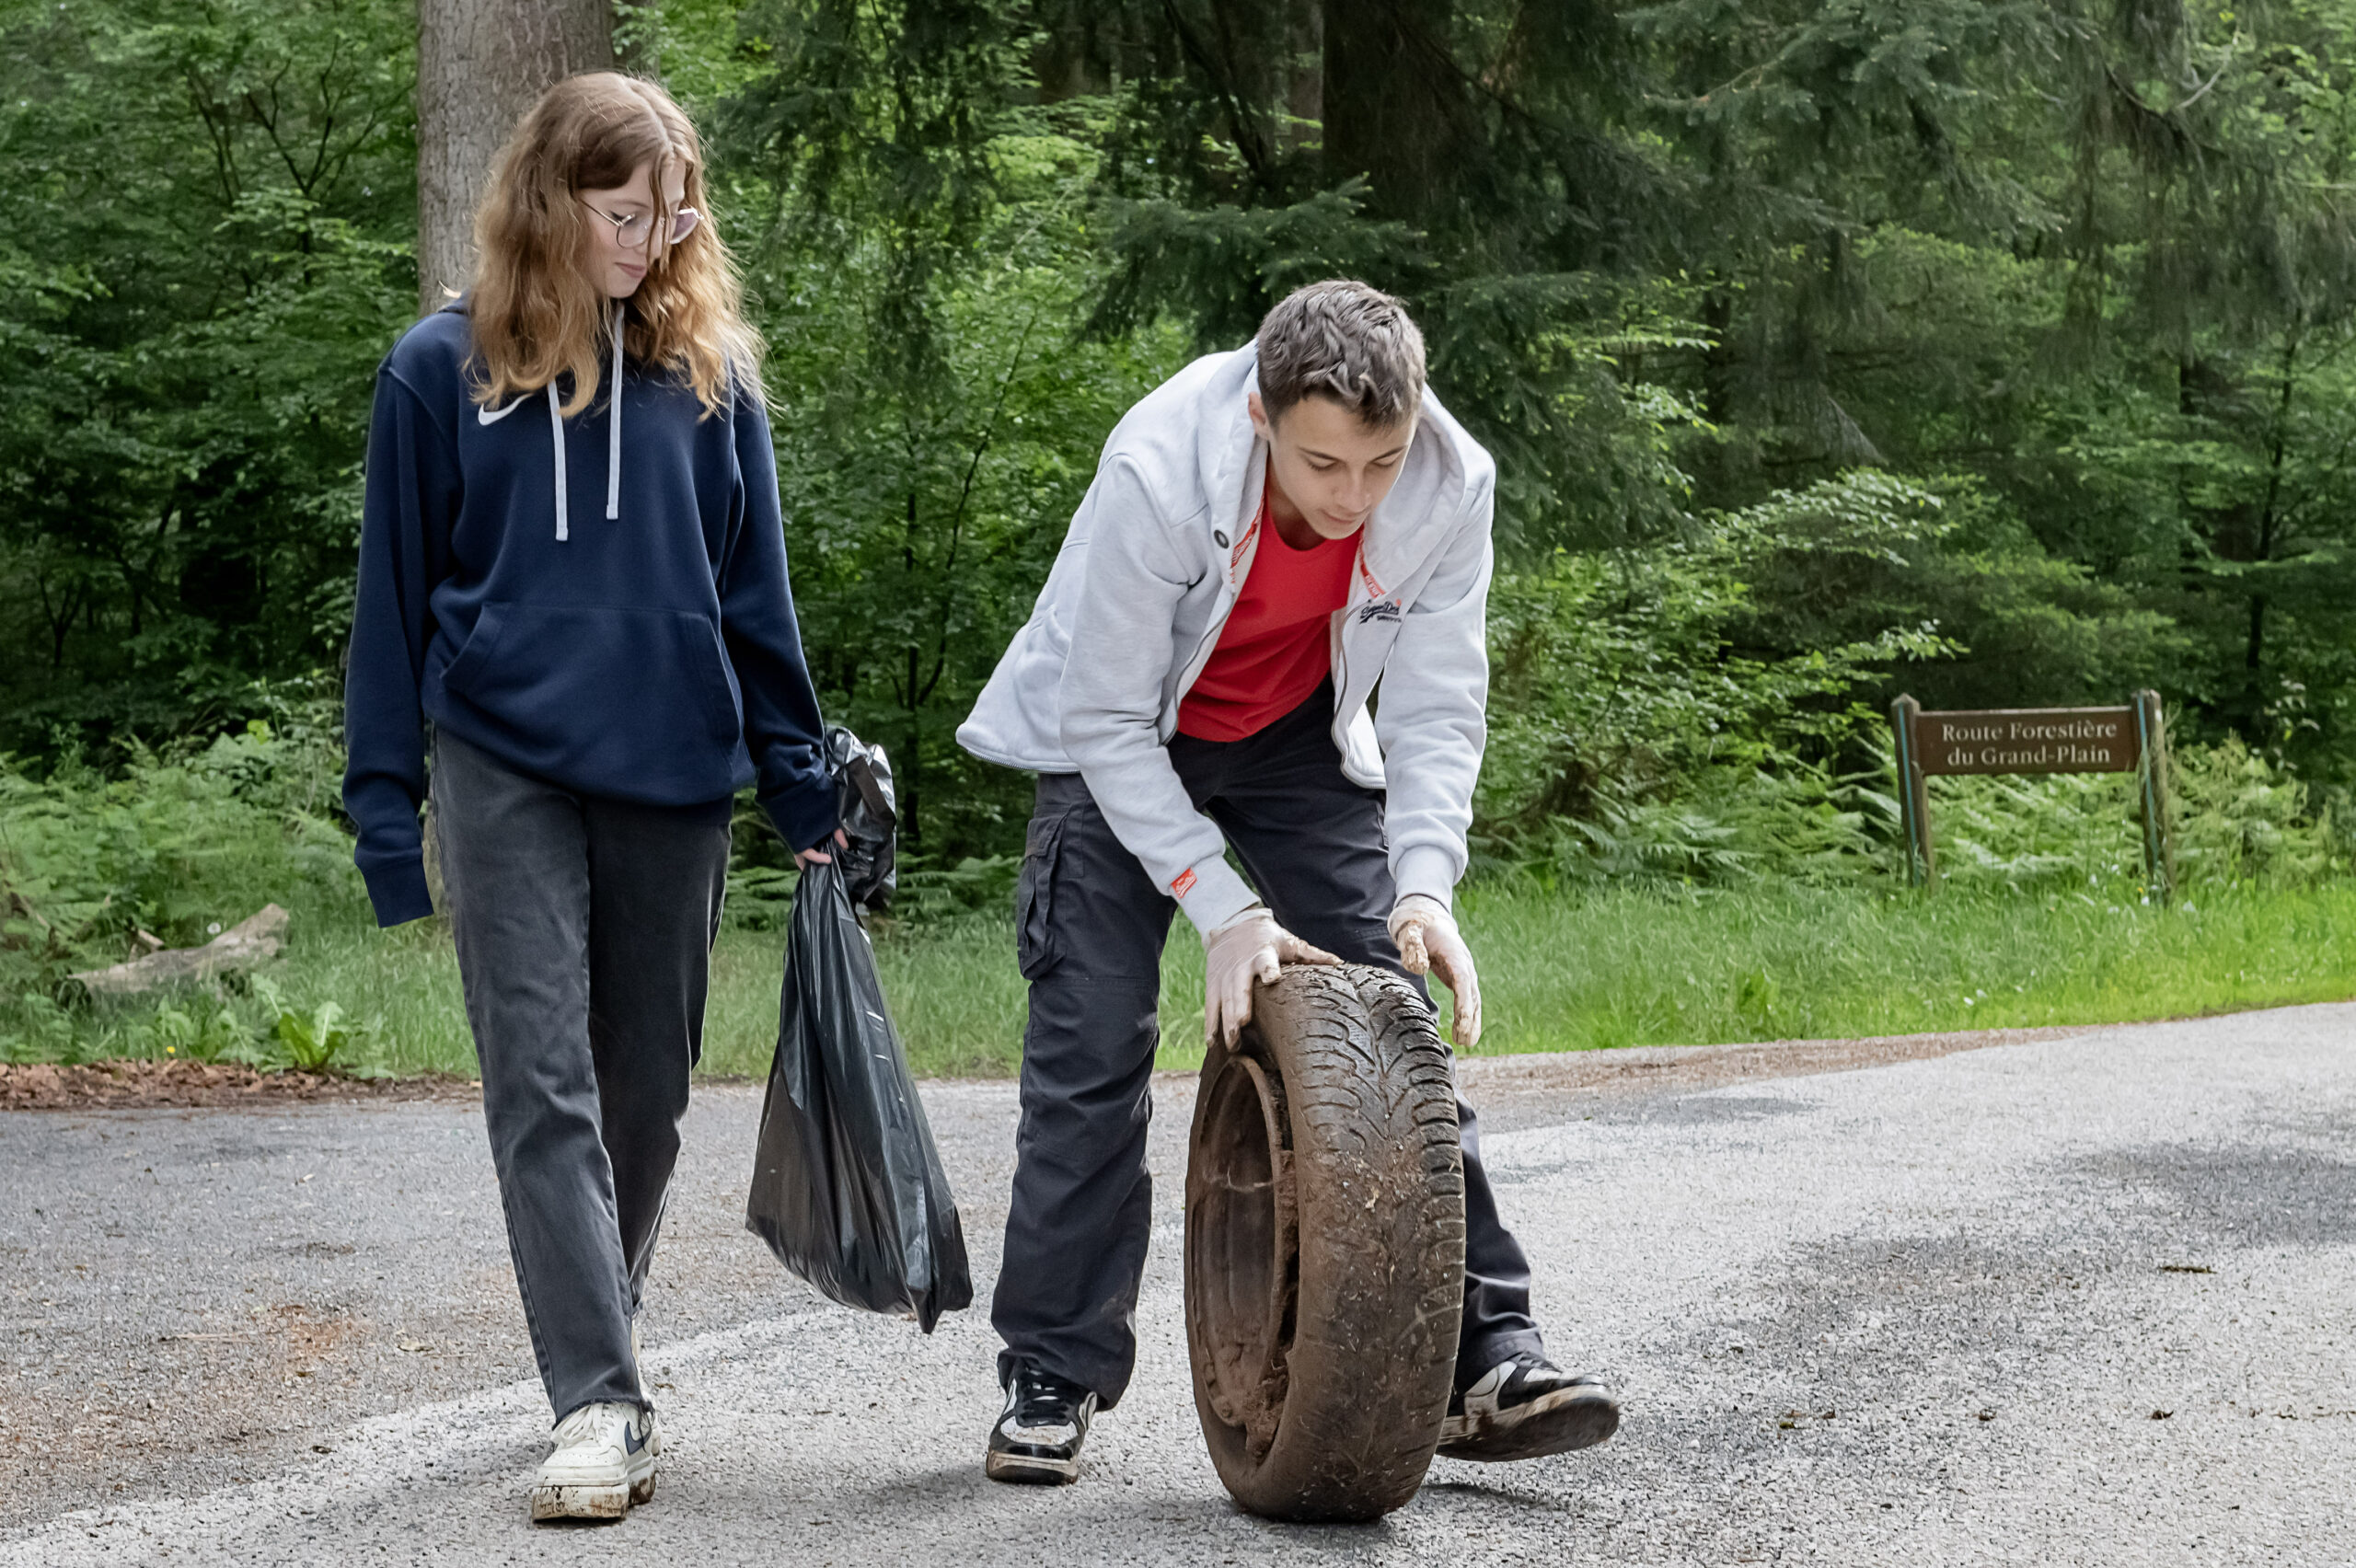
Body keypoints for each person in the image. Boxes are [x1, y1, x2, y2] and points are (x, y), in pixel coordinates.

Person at [956, 278, 1623, 1484]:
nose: (1354, 495)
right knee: (1092, 1047)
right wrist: (1221, 908)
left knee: (1396, 1012)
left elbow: (1437, 703)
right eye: (1323, 465)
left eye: (1380, 463)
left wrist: (1424, 886)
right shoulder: (1160, 468)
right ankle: (1050, 1372)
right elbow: (1105, 719)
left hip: (1292, 737)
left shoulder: (1452, 483)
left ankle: (1486, 1358)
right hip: (1121, 738)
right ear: (1261, 417)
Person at [341, 73, 839, 1523]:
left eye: (671, 215)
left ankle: (592, 1331)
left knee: (650, 1092)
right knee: (541, 1080)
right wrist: (386, 816)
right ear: (550, 201)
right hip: (497, 757)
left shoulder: (710, 379)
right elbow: (390, 607)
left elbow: (758, 603)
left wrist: (806, 791)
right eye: (623, 212)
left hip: (674, 767)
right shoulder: (436, 373)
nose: (649, 240)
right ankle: (599, 1401)